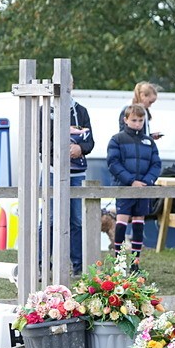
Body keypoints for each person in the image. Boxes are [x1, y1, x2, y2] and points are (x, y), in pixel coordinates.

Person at [107, 104, 162, 264]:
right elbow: (113, 163)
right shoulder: (117, 139)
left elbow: (156, 164)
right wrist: (131, 181)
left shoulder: (149, 142)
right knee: (122, 222)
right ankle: (119, 261)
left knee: (139, 223)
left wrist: (146, 181)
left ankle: (135, 262)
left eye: (141, 120)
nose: (138, 123)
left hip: (144, 190)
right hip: (124, 188)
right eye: (134, 120)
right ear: (125, 120)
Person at [67, 76, 94, 276]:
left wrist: (80, 148)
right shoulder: (45, 110)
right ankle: (42, 263)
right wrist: (60, 151)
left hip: (77, 172)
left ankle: (78, 265)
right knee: (49, 220)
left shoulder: (81, 111)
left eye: (69, 84)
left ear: (72, 85)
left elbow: (90, 142)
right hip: (51, 171)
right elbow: (40, 141)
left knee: (77, 220)